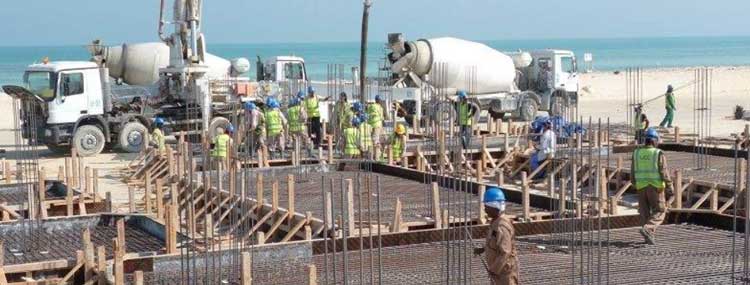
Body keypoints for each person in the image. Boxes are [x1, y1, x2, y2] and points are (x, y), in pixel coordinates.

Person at [632, 128, 673, 245]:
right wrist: (670, 187)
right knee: (660, 211)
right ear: (654, 140)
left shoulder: (637, 152)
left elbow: (632, 171)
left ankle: (648, 237)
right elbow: (664, 172)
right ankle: (648, 229)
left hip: (641, 187)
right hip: (655, 187)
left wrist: (636, 184)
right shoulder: (657, 153)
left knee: (645, 213)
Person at [474, 187, 519, 285]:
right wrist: (483, 249)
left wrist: (494, 270)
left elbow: (505, 252)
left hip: (503, 273)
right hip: (498, 271)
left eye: (486, 206)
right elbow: (495, 243)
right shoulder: (495, 222)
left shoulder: (501, 226)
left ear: (494, 206)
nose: (485, 209)